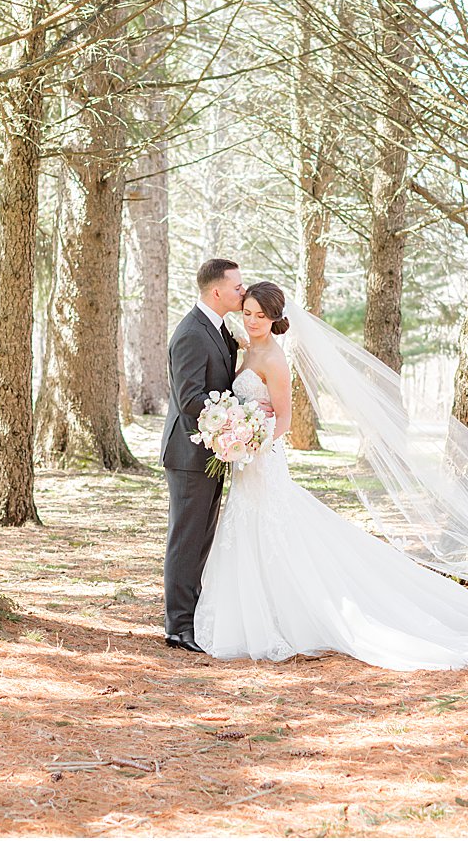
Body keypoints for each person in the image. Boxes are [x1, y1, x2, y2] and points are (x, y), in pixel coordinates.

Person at [192, 282, 468, 670]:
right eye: (247, 313)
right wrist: (234, 434)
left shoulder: (274, 359)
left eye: (260, 316)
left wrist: (250, 443)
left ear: (276, 320)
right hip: (246, 461)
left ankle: (292, 616)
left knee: (275, 529)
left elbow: (283, 420)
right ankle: (261, 610)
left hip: (263, 458)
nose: (252, 321)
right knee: (251, 531)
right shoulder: (244, 347)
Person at [159, 258, 262, 652]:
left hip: (213, 451)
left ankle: (193, 618)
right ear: (216, 291)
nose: (243, 291)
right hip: (189, 453)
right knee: (186, 539)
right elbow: (190, 399)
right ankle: (178, 627)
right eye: (237, 287)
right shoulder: (190, 333)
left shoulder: (218, 328)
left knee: (201, 538)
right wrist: (237, 419)